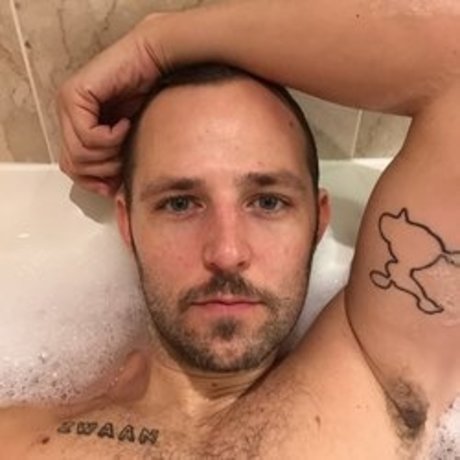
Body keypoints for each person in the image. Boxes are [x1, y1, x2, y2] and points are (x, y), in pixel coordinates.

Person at [11, 0, 460, 458]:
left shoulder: (378, 378)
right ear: (127, 225)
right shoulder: (20, 437)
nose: (226, 252)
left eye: (268, 202)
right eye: (180, 204)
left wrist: (156, 44)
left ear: (317, 222)